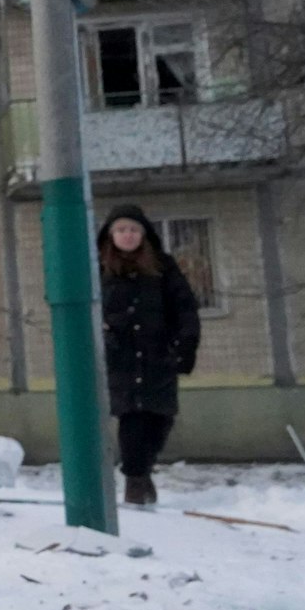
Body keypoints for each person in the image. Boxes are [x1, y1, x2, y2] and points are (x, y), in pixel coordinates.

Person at [97, 204, 200, 507]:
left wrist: (185, 345)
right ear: (110, 234)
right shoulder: (98, 268)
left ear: (143, 234)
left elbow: (185, 308)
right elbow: (88, 310)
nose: (127, 235)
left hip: (158, 356)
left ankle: (142, 473)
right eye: (121, 230)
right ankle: (135, 483)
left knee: (160, 419)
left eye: (133, 230)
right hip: (121, 358)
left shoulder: (163, 267)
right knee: (132, 419)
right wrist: (104, 334)